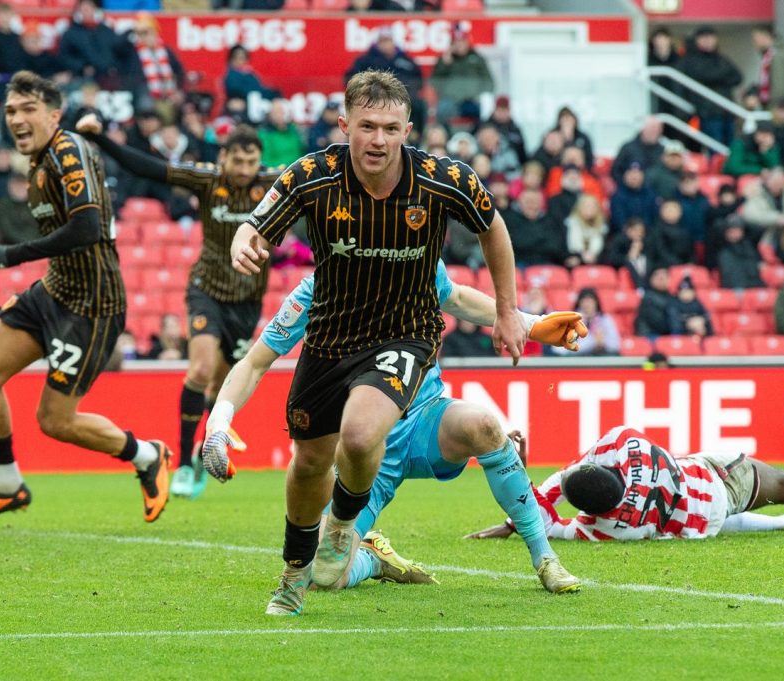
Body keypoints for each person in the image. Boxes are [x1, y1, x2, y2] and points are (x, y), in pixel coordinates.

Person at [229, 70, 534, 615]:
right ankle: (295, 571)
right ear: (344, 125)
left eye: (390, 128)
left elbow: (494, 229)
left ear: (407, 130)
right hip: (329, 337)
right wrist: (242, 243)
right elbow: (255, 224)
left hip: (405, 335)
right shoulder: (312, 175)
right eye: (366, 126)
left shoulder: (444, 179)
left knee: (362, 433)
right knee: (308, 465)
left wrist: (510, 313)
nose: (377, 139)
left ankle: (344, 526)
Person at [200, 262, 584, 595]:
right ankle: (372, 558)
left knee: (483, 425)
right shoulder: (315, 292)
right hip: (363, 455)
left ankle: (545, 557)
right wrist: (218, 423)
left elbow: (458, 298)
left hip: (424, 421)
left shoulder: (415, 262)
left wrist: (532, 326)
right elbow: (254, 362)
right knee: (320, 577)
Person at [0, 70, 172, 528]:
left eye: (29, 109)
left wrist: (11, 255)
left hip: (92, 305)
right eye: (11, 110)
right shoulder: (36, 163)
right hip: (54, 291)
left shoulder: (68, 149)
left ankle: (147, 454)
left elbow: (87, 227)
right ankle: (8, 484)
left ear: (54, 115)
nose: (17, 118)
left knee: (55, 421)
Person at [77, 115, 280, 500]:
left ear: (259, 161)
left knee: (222, 388)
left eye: (250, 163)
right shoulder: (207, 179)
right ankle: (184, 463)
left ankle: (206, 452)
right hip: (206, 289)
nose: (243, 170)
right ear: (224, 158)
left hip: (248, 301)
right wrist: (101, 139)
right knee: (200, 369)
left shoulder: (274, 185)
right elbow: (148, 167)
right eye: (236, 161)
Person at [467, 425, 784, 541]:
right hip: (715, 476)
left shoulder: (608, 526)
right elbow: (577, 469)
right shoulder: (628, 443)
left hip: (700, 518)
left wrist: (518, 486)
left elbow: (549, 524)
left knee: (721, 521)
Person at [344, 29, 426, 138]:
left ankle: (415, 135)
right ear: (377, 43)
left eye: (388, 40)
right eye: (382, 41)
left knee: (419, 105)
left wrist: (406, 93)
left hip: (402, 99)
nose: (386, 44)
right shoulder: (365, 60)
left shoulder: (405, 60)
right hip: (371, 98)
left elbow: (418, 80)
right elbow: (350, 79)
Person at [680, 26, 743, 147]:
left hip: (727, 111)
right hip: (708, 113)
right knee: (715, 148)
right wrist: (723, 76)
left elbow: (737, 77)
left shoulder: (721, 58)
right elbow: (705, 76)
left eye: (711, 37)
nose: (708, 41)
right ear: (697, 40)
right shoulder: (691, 60)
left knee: (731, 148)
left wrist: (717, 78)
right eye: (704, 38)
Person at [429, 25, 494, 126]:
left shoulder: (477, 58)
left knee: (481, 114)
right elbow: (434, 82)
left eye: (462, 41)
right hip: (449, 99)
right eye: (457, 42)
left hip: (472, 100)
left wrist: (478, 94)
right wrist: (445, 65)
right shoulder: (445, 60)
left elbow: (489, 81)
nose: (460, 45)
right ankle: (445, 137)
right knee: (442, 110)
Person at [122, 12, 184, 117]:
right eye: (143, 33)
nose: (147, 37)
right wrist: (133, 29)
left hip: (168, 94)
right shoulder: (133, 51)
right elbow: (116, 45)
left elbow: (179, 72)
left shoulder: (166, 50)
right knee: (146, 104)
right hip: (145, 94)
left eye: (149, 32)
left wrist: (178, 91)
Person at [58, 0, 126, 87]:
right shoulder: (70, 33)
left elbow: (116, 53)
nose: (86, 12)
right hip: (82, 78)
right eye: (83, 9)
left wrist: (113, 67)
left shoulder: (106, 31)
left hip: (108, 77)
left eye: (89, 8)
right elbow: (64, 56)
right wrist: (82, 67)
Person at [506, 187, 566, 267]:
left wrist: (529, 240)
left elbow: (555, 247)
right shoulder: (509, 219)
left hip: (547, 263)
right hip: (519, 264)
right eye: (527, 202)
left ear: (541, 204)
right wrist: (540, 238)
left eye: (535, 202)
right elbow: (516, 244)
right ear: (519, 203)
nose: (531, 205)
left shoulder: (551, 220)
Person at [561, 288, 620, 356]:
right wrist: (593, 341)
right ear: (579, 304)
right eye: (584, 302)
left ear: (596, 303)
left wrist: (602, 342)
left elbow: (616, 345)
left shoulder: (605, 319)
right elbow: (564, 349)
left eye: (590, 302)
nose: (587, 305)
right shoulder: (572, 321)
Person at [612, 118, 665, 187]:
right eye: (652, 128)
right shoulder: (627, 148)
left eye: (658, 129)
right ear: (643, 129)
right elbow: (616, 171)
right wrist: (627, 183)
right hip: (629, 192)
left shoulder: (663, 151)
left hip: (653, 193)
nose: (655, 131)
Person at [717, 215, 764, 290]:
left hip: (754, 283)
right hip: (733, 286)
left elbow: (760, 229)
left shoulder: (749, 243)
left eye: (738, 229)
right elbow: (716, 227)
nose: (735, 232)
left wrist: (742, 221)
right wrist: (727, 223)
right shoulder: (720, 245)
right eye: (732, 230)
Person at [608, 162, 657, 234]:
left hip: (647, 236)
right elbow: (619, 221)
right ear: (625, 176)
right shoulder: (617, 196)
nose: (634, 177)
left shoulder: (650, 195)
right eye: (631, 173)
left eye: (637, 173)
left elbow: (653, 219)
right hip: (624, 236)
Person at [0, 172, 41, 245]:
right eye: (16, 185)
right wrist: (26, 242)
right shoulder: (3, 204)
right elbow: (7, 230)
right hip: (12, 246)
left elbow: (40, 226)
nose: (19, 189)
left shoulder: (36, 202)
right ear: (9, 187)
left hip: (36, 244)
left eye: (22, 185)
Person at [751, 25, 784, 109]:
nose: (753, 43)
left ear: (765, 36)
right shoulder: (767, 56)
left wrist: (776, 106)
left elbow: (780, 85)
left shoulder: (776, 56)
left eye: (755, 39)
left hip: (776, 107)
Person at [259, 100, 305, 169]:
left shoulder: (293, 131)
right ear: (270, 115)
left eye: (282, 112)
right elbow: (265, 160)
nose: (279, 115)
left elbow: (301, 153)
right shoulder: (264, 134)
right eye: (276, 112)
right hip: (277, 174)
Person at [484, 96, 527, 168]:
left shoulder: (515, 129)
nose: (502, 114)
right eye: (500, 110)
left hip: (512, 168)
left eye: (505, 110)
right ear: (494, 110)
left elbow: (522, 152)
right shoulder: (484, 126)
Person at [565, 194, 607, 266]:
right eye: (586, 206)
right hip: (573, 264)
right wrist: (581, 257)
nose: (589, 209)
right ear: (579, 207)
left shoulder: (603, 228)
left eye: (592, 206)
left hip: (597, 264)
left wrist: (594, 257)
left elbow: (606, 253)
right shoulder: (569, 225)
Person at [635, 266, 674, 337]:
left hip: (666, 334)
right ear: (651, 280)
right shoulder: (647, 298)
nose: (661, 280)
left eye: (663, 277)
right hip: (649, 334)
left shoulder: (672, 297)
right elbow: (658, 323)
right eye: (658, 278)